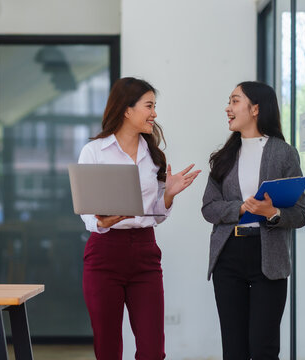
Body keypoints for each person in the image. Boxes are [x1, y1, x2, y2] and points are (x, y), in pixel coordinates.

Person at [78, 77, 200, 360]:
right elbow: (86, 209)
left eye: (154, 106)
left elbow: (155, 214)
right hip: (104, 253)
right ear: (126, 110)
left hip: (145, 252)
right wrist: (102, 222)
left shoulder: (153, 156)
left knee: (153, 351)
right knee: (107, 349)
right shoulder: (94, 151)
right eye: (149, 106)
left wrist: (168, 195)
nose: (154, 114)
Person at [201, 81, 305, 360]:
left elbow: (300, 214)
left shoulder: (284, 153)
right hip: (229, 256)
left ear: (256, 109)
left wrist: (271, 213)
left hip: (268, 257)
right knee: (234, 349)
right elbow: (209, 208)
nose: (228, 108)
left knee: (264, 348)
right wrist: (241, 208)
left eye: (235, 101)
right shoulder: (223, 157)